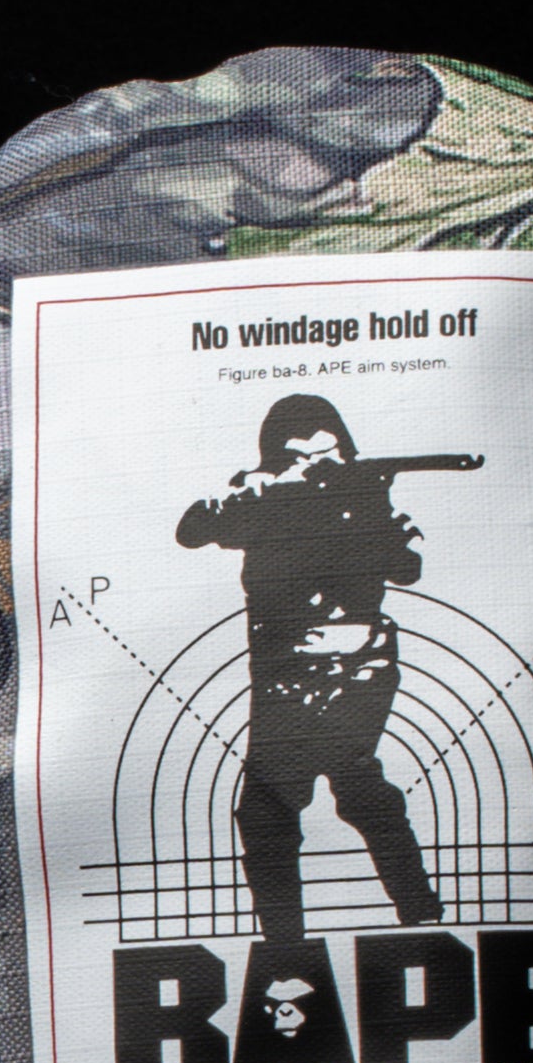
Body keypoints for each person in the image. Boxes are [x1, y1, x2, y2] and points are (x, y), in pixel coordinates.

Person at [177, 392, 444, 936]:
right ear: (277, 462)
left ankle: (295, 940)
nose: (320, 468)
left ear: (347, 452)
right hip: (285, 674)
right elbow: (191, 530)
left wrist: (366, 512)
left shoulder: (368, 503)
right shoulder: (261, 503)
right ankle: (410, 913)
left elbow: (407, 566)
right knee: (352, 792)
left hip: (357, 667)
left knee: (279, 805)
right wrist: (254, 490)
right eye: (303, 458)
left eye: (330, 455)